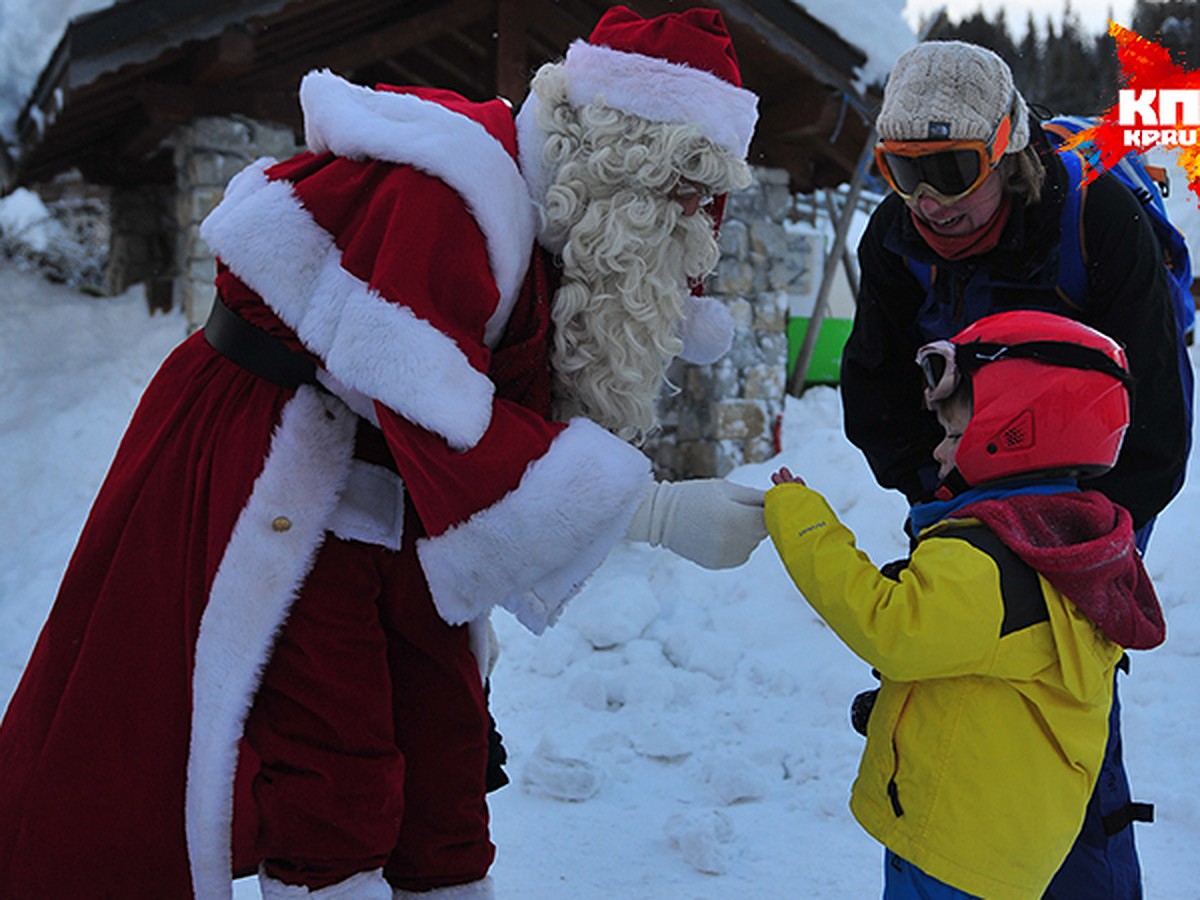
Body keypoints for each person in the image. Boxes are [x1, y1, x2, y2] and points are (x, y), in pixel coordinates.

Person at [0, 7, 767, 899]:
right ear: (628, 156)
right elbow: (440, 417)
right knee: (337, 769)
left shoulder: (556, 221)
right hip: (276, 457)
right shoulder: (453, 194)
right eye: (684, 196)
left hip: (384, 477)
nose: (693, 228)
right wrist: (659, 514)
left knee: (444, 751)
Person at [841, 40, 1189, 897]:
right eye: (901, 171)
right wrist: (947, 505)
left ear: (1007, 149)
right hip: (960, 498)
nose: (928, 200)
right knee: (954, 703)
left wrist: (1081, 546)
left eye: (954, 169)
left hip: (1087, 512)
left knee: (1061, 724)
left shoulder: (1094, 221)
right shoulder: (897, 238)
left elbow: (1159, 427)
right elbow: (875, 394)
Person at [767, 310, 1166, 900]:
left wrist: (799, 519)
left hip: (952, 848)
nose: (940, 451)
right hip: (1004, 842)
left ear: (1017, 432)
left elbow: (891, 629)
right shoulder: (1072, 538)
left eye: (954, 434)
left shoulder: (989, 555)